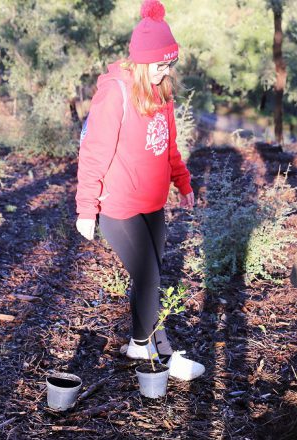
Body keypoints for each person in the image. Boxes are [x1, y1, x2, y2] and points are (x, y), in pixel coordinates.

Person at [75, 0, 204, 381]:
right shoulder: (115, 93)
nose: (166, 72)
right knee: (149, 277)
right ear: (139, 60)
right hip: (118, 205)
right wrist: (86, 208)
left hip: (152, 202)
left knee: (150, 276)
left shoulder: (161, 90)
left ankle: (138, 343)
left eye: (170, 65)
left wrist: (183, 181)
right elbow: (93, 152)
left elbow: (168, 145)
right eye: (159, 65)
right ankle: (161, 356)